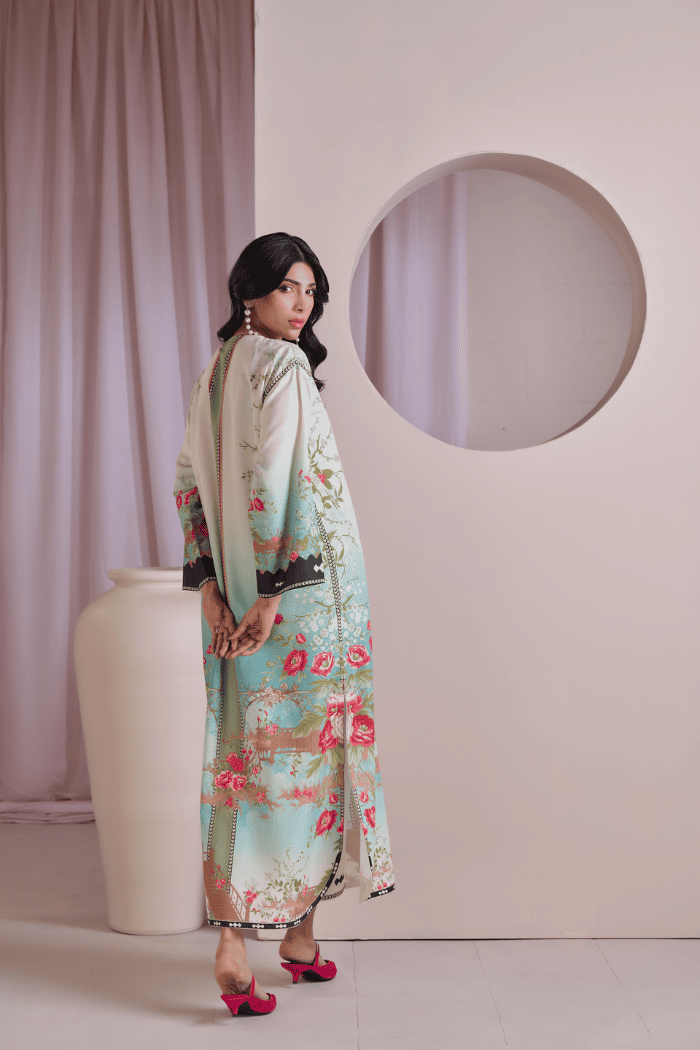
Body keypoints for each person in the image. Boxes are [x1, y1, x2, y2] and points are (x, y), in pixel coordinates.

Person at [173, 232, 395, 1017]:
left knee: (244, 761)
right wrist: (270, 591)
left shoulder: (216, 369)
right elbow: (278, 479)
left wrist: (209, 585)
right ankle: (249, 944)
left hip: (239, 598)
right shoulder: (283, 365)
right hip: (303, 604)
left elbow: (188, 481)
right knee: (308, 762)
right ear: (250, 292)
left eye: (311, 292)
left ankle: (285, 940)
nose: (302, 305)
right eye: (289, 288)